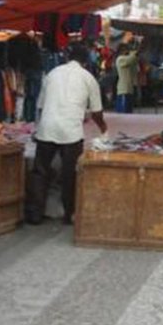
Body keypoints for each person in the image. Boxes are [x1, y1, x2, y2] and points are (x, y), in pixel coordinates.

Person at [27, 43, 107, 225]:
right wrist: (103, 128)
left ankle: (35, 213)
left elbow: (40, 105)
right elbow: (96, 112)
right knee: (69, 173)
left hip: (47, 128)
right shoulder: (88, 78)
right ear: (85, 62)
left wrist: (38, 127)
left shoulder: (52, 73)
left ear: (67, 58)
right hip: (71, 132)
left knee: (40, 171)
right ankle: (68, 214)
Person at [115, 44, 138, 113]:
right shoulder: (120, 59)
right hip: (123, 89)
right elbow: (130, 59)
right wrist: (134, 53)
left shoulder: (127, 59)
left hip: (129, 88)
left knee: (129, 110)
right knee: (123, 111)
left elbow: (133, 61)